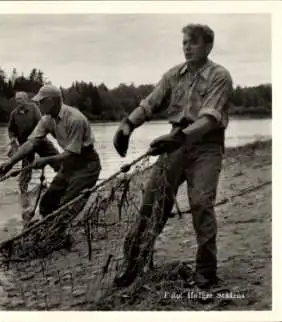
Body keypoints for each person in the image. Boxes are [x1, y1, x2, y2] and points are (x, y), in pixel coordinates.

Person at [113, 24, 233, 289]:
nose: (187, 47)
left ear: (208, 46)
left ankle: (206, 272)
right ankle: (133, 264)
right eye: (184, 43)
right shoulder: (173, 75)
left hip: (206, 146)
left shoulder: (219, 75)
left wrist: (178, 138)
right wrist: (127, 126)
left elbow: (210, 119)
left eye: (193, 42)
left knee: (201, 203)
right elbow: (149, 103)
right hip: (175, 143)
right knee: (151, 203)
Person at [0, 84, 101, 228]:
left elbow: (72, 153)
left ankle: (58, 231)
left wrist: (46, 160)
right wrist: (11, 162)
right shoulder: (47, 119)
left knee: (67, 205)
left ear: (52, 102)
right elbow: (31, 143)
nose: (38, 105)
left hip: (86, 165)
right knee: (46, 205)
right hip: (69, 165)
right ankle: (50, 229)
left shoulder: (75, 118)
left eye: (41, 102)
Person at [7, 91, 60, 195]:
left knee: (57, 160)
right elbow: (11, 130)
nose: (18, 101)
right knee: (25, 170)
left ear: (26, 99)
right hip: (25, 146)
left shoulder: (33, 108)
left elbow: (42, 123)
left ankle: (65, 180)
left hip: (40, 142)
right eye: (16, 99)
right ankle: (23, 194)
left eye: (20, 99)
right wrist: (12, 138)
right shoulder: (14, 114)